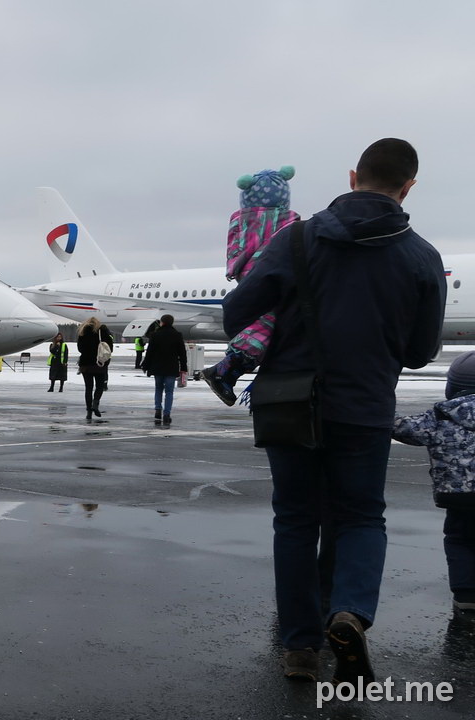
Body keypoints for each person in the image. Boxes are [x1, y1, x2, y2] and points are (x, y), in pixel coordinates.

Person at [223, 138, 446, 683]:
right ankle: (348, 612)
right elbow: (420, 353)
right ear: (409, 186)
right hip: (365, 407)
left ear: (352, 177)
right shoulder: (422, 257)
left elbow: (237, 313)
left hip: (290, 403)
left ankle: (299, 647)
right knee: (361, 517)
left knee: (295, 520)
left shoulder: (294, 239)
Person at [203, 166, 301, 406]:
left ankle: (227, 371)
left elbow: (236, 251)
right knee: (266, 325)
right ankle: (225, 370)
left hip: (248, 274)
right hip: (271, 274)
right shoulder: (289, 222)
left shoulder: (239, 222)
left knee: (262, 323)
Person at [392, 352, 475, 615]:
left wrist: (380, 407)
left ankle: (466, 594)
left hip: (459, 498)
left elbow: (403, 428)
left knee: (459, 540)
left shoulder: (440, 416)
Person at [140, 314, 187, 425]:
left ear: (162, 322)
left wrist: (145, 365)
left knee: (158, 389)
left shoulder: (155, 335)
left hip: (157, 367)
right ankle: (167, 414)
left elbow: (149, 352)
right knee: (169, 392)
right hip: (171, 367)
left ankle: (157, 409)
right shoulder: (177, 335)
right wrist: (183, 367)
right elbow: (182, 353)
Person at [76, 317, 113, 422]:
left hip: (86, 364)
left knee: (88, 388)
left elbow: (80, 348)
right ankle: (95, 404)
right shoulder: (102, 330)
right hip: (99, 363)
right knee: (99, 386)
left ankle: (88, 411)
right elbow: (109, 346)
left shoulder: (82, 331)